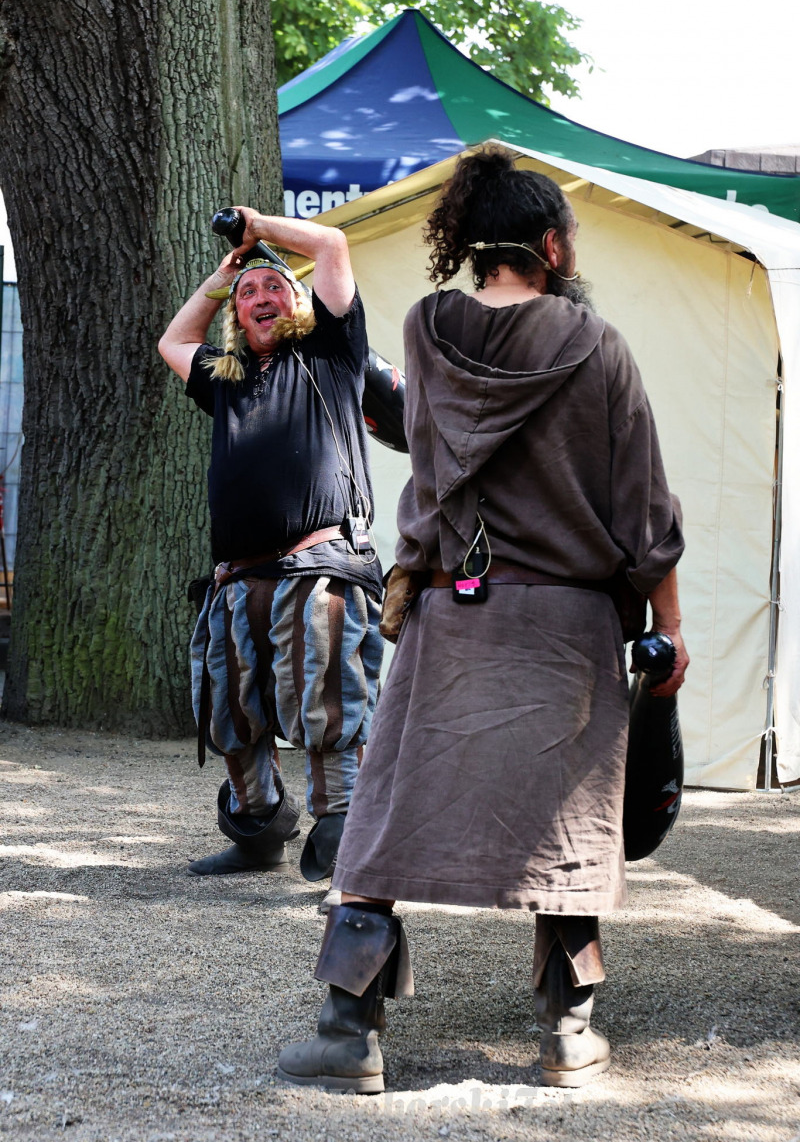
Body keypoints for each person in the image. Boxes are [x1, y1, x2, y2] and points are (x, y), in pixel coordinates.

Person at [275, 146, 689, 1092]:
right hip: (571, 628)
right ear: (553, 245)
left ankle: (348, 1030)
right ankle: (569, 1035)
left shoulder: (427, 330)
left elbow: (418, 431)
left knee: (386, 814)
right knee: (570, 822)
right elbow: (646, 511)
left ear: (471, 243)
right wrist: (669, 630)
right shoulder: (601, 345)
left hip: (452, 617)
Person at [157, 211, 383, 887]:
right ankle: (257, 831)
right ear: (236, 312)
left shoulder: (332, 354)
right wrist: (224, 275)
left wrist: (256, 228)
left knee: (327, 705)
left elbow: (332, 244)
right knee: (231, 710)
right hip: (237, 581)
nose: (260, 297)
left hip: (318, 571)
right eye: (248, 294)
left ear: (300, 303)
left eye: (274, 288)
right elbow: (174, 339)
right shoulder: (224, 379)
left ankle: (344, 841)